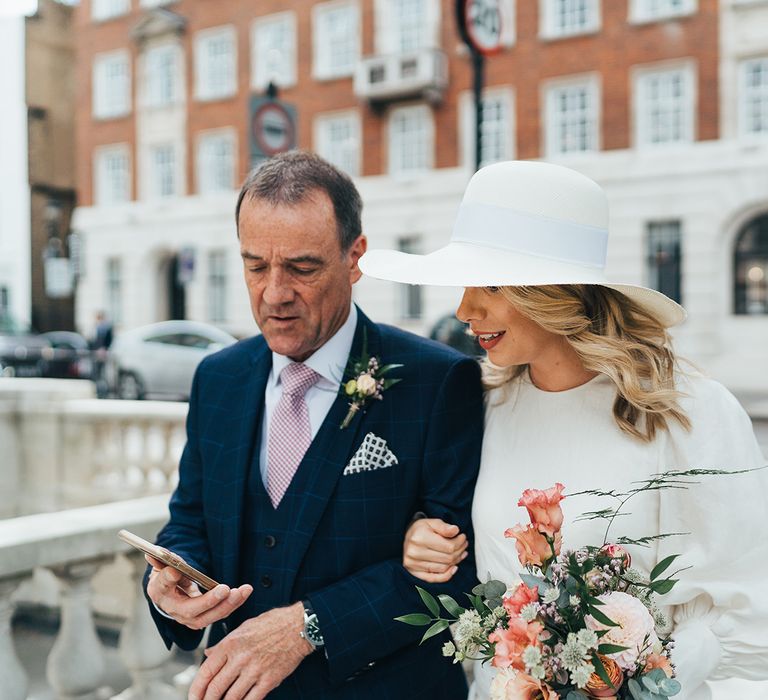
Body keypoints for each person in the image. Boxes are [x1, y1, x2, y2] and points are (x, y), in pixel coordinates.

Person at [359, 160, 768, 700]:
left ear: (555, 292)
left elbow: (744, 615)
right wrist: (421, 537)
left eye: (492, 283)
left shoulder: (686, 411)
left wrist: (647, 682)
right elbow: (468, 555)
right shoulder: (482, 405)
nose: (464, 308)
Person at [142, 151, 484, 700]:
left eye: (301, 268)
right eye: (255, 266)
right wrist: (170, 578)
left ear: (355, 258)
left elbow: (461, 579)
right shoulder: (218, 378)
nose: (274, 293)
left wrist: (309, 625)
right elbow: (189, 522)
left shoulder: (439, 381)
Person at [90, 310, 113, 397]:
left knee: (103, 373)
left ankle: (104, 391)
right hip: (96, 353)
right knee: (96, 372)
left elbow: (108, 341)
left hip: (103, 353)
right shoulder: (96, 327)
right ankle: (98, 390)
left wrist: (104, 350)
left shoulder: (107, 328)